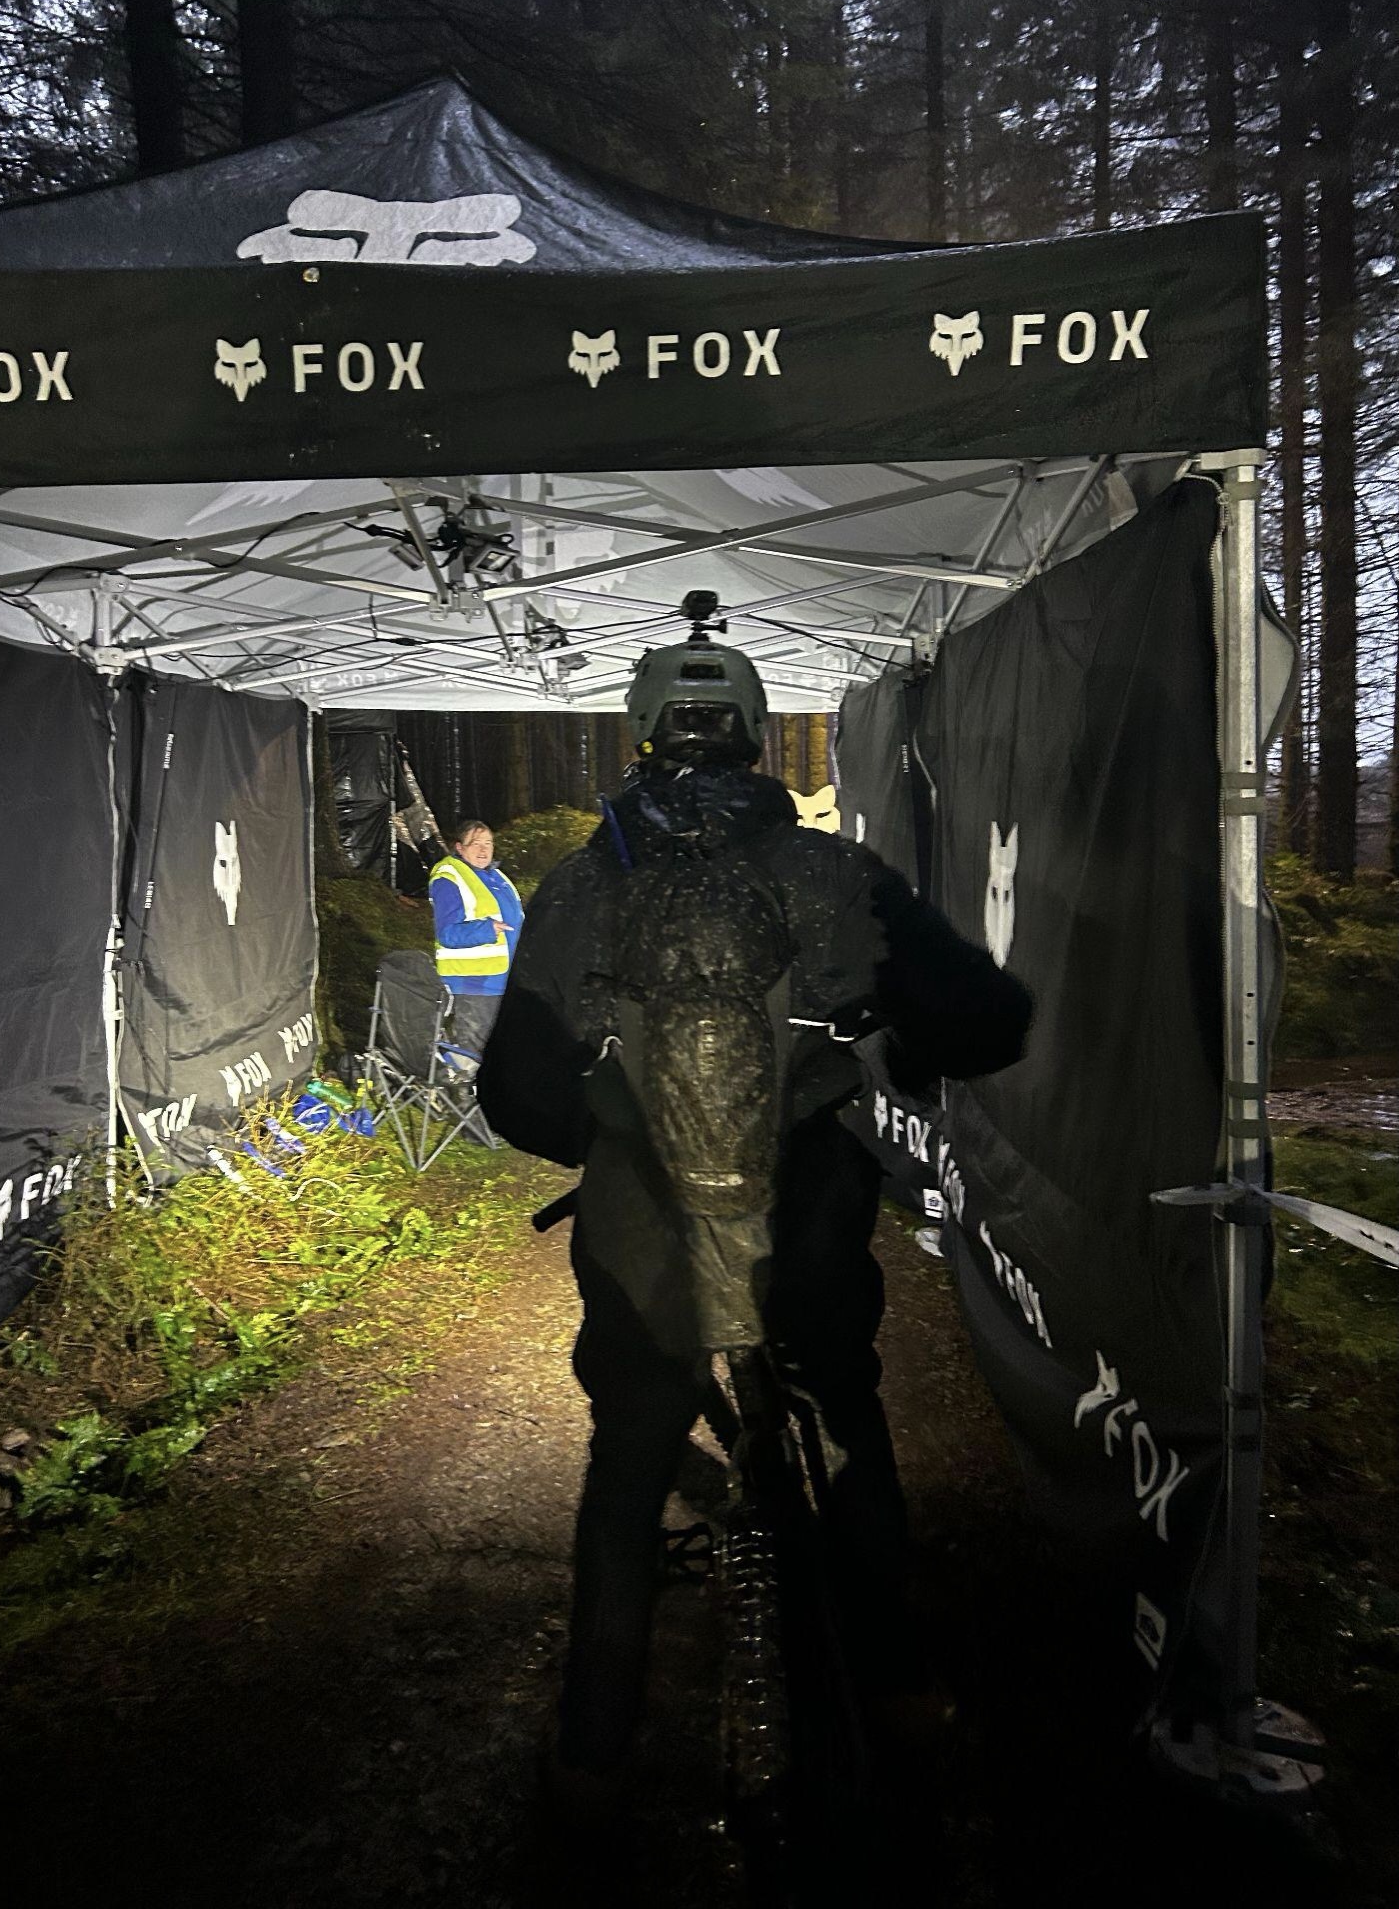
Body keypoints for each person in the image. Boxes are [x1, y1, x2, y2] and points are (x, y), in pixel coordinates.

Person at [477, 599, 1033, 1800]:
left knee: (629, 1446)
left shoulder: (576, 886)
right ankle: (892, 1675)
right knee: (839, 1401)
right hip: (808, 1209)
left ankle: (593, 1727)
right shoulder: (837, 869)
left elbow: (514, 1093)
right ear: (749, 730)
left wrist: (607, 1130)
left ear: (639, 731)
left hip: (638, 1223)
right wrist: (903, 1042)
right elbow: (990, 1017)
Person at [427, 819, 523, 1057]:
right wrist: (487, 930)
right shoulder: (449, 877)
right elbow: (447, 933)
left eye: (488, 843)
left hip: (504, 982)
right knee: (474, 1054)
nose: (484, 849)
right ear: (460, 847)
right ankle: (457, 1092)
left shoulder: (498, 877)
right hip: (474, 985)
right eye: (475, 843)